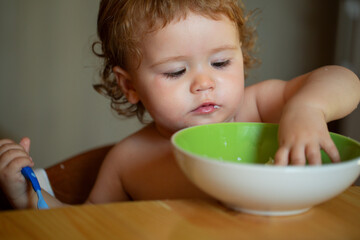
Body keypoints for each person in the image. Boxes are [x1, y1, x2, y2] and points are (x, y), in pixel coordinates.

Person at [0, 0, 359, 209]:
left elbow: (345, 80)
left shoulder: (259, 108)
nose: (204, 83)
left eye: (221, 63)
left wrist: (307, 108)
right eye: (176, 71)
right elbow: (90, 228)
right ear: (130, 85)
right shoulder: (129, 161)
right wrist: (31, 197)